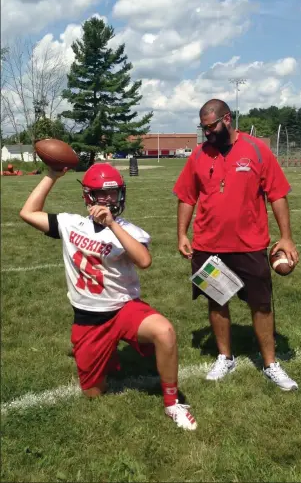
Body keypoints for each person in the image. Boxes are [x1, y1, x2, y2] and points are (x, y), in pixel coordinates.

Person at [20, 162, 197, 430]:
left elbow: (144, 260)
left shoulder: (129, 230)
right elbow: (28, 212)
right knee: (93, 393)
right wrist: (52, 176)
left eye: (112, 193)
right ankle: (108, 357)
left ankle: (173, 404)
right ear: (88, 196)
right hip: (88, 318)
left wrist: (112, 225)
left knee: (165, 332)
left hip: (123, 309)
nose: (107, 199)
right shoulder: (71, 224)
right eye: (101, 194)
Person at [173, 98, 299, 391]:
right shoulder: (199, 155)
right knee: (217, 301)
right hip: (208, 244)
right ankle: (225, 357)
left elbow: (277, 194)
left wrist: (287, 236)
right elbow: (186, 197)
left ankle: (270, 364)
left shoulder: (256, 149)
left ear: (227, 119)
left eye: (211, 127)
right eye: (203, 128)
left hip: (249, 245)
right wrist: (182, 234)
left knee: (261, 304)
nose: (207, 133)